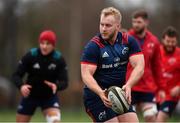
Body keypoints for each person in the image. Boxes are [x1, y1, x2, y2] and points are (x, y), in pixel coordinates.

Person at [81, 7, 144, 122]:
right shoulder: (93, 46)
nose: (103, 29)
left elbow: (140, 66)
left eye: (108, 25)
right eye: (102, 24)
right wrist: (100, 92)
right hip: (96, 97)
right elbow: (86, 74)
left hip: (117, 94)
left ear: (118, 26)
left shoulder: (128, 41)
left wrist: (129, 84)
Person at [12, 30, 68, 123]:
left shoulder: (59, 59)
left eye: (48, 43)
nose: (44, 46)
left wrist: (56, 86)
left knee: (55, 121)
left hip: (49, 97)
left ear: (53, 45)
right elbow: (16, 75)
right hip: (30, 95)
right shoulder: (31, 55)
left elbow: (65, 82)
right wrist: (21, 86)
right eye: (42, 43)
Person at [126, 10, 163, 122]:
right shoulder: (126, 38)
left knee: (150, 116)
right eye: (134, 22)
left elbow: (157, 66)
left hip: (147, 86)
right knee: (128, 119)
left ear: (146, 22)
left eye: (139, 22)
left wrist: (161, 88)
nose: (135, 24)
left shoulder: (154, 41)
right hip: (129, 85)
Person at [156, 26, 180, 122]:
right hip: (156, 94)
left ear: (176, 41)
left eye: (173, 42)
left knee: (160, 120)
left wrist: (179, 87)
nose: (170, 44)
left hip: (171, 96)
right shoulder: (156, 52)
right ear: (163, 40)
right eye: (168, 41)